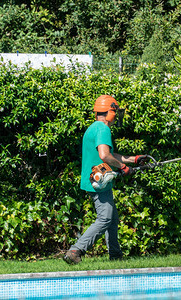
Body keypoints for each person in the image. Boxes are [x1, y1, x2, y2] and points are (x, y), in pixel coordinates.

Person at [63, 95, 148, 264]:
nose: (116, 115)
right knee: (105, 218)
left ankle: (115, 255)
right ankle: (75, 250)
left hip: (96, 179)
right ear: (109, 112)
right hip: (99, 181)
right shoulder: (103, 129)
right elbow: (104, 155)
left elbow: (108, 154)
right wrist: (123, 168)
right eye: (115, 111)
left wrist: (133, 159)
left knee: (112, 218)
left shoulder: (93, 128)